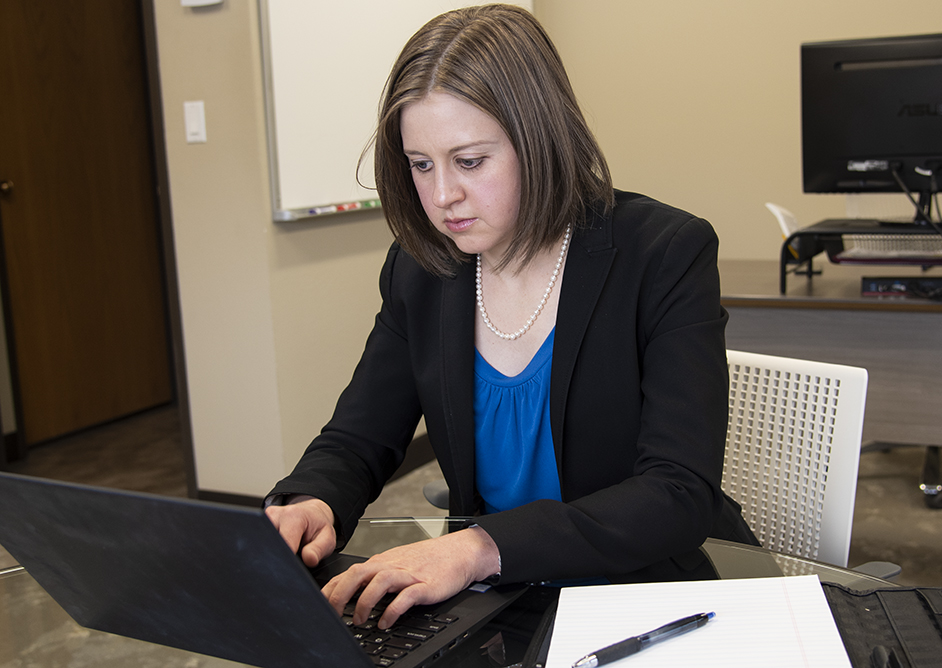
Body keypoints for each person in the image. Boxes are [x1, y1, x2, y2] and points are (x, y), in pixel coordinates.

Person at [265, 3, 757, 631]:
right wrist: (314, 497)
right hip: (496, 602)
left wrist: (478, 547)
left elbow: (678, 492)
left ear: (540, 141)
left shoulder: (663, 253)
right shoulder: (423, 268)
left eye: (469, 161)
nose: (442, 196)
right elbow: (358, 436)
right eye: (421, 165)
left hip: (643, 593)